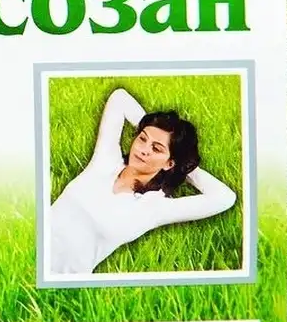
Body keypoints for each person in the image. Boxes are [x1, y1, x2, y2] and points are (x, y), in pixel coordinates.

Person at [49, 86, 237, 275]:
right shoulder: (105, 162)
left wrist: (184, 167)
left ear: (169, 163)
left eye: (156, 149)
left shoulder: (153, 206)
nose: (143, 150)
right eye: (142, 139)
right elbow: (119, 98)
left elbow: (225, 198)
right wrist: (152, 130)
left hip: (57, 278)